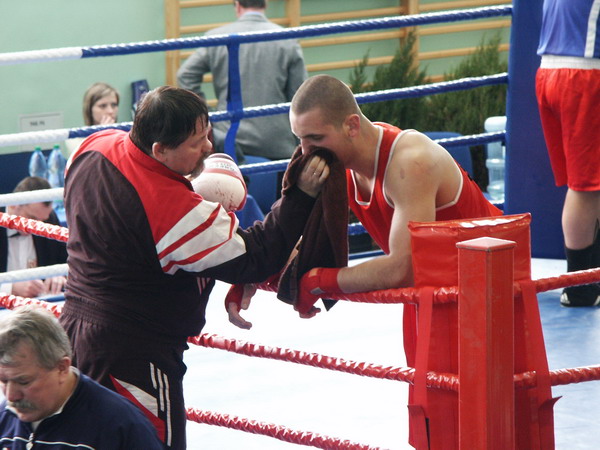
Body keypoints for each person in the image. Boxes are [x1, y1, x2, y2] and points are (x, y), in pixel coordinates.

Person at [58, 85, 328, 449]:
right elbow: (256, 256)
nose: (208, 148)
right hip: (132, 354)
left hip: (72, 333)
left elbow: (150, 249)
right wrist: (300, 195)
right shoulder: (169, 209)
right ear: (159, 149)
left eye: (206, 134)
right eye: (195, 142)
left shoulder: (94, 147)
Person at [0, 305, 164, 449]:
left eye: (24, 381)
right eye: (3, 380)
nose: (11, 395)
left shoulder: (120, 427)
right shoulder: (4, 417)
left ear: (62, 368)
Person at [176, 0, 307, 164]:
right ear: (264, 4)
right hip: (276, 142)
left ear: (237, 5)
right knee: (280, 188)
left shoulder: (217, 37)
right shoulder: (287, 39)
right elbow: (299, 95)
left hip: (229, 138)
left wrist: (208, 116)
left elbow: (185, 75)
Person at [536, 0, 600, 307]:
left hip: (551, 71)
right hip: (584, 74)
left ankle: (589, 279)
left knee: (590, 183)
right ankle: (579, 286)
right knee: (586, 187)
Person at [0, 176, 67, 298]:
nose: (37, 227)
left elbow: (68, 260)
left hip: (40, 305)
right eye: (33, 219)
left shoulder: (48, 219)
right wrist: (10, 288)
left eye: (42, 220)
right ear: (13, 206)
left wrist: (59, 275)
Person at [63, 82, 120, 157]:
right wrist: (102, 135)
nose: (110, 111)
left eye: (114, 105)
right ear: (89, 109)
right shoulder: (74, 140)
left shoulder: (126, 135)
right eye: (103, 106)